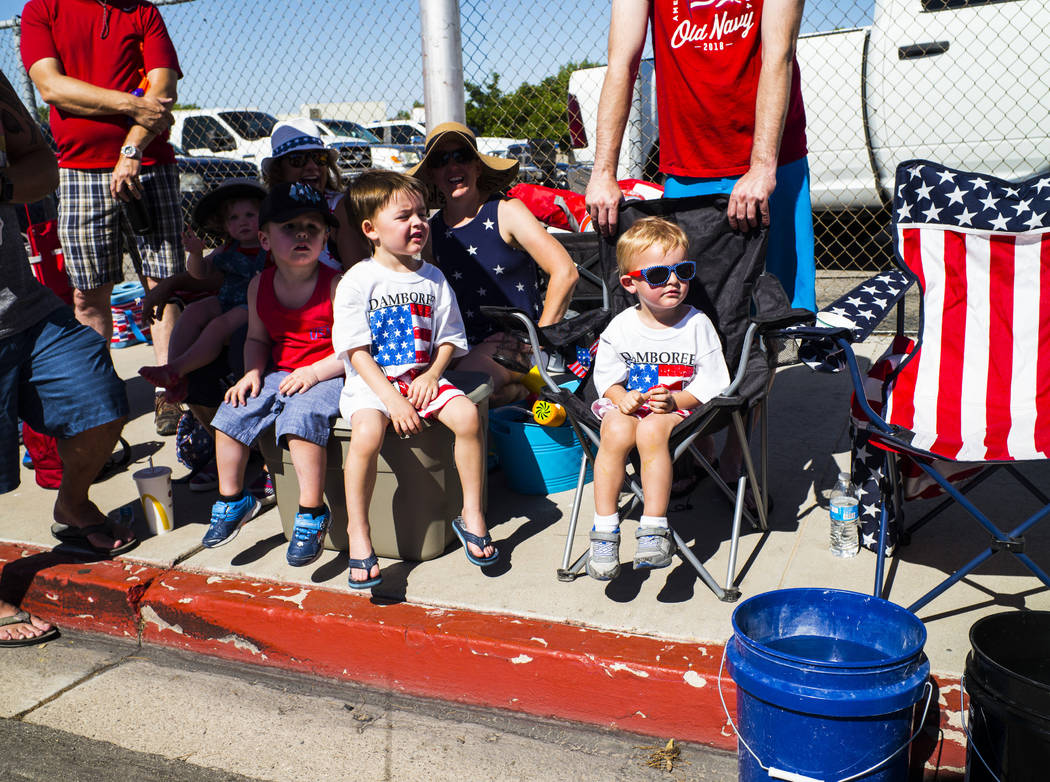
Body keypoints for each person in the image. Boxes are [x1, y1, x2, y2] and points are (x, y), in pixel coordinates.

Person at [0, 69, 134, 644]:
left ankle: (72, 505)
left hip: (24, 309)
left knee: (100, 400)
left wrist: (1, 186)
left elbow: (41, 163)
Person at [20, 0, 187, 435]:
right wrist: (131, 106)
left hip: (150, 165)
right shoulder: (43, 9)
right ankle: (100, 405)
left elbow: (162, 88)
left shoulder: (143, 12)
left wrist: (131, 149)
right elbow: (52, 87)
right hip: (78, 171)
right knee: (88, 296)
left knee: (163, 285)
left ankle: (169, 392)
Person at [584, 0, 815, 313]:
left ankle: (771, 355)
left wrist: (761, 168)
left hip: (772, 154)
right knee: (692, 303)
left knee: (783, 308)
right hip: (690, 159)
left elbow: (779, 56)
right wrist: (602, 173)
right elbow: (622, 63)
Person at [333, 170, 497, 589]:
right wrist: (393, 401)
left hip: (421, 378)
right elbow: (357, 353)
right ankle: (359, 533)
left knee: (468, 417)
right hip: (373, 386)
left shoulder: (434, 278)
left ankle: (472, 513)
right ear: (370, 230)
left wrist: (433, 374)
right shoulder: (357, 280)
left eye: (423, 213)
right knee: (366, 433)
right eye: (404, 216)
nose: (418, 222)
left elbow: (448, 339)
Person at [200, 183, 344, 565]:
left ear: (325, 237)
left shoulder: (336, 285)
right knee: (231, 411)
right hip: (282, 372)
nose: (302, 235)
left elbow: (353, 352)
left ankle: (312, 512)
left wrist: (314, 373)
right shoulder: (258, 285)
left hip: (331, 373)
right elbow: (258, 338)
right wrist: (251, 373)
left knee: (300, 416)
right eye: (289, 227)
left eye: (313, 228)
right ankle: (233, 500)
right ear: (264, 239)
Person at [586, 218, 730, 581]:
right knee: (616, 431)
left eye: (682, 270)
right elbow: (605, 378)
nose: (673, 281)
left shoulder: (697, 325)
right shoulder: (621, 326)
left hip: (676, 409)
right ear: (630, 283)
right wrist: (622, 397)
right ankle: (605, 531)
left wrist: (678, 397)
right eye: (657, 275)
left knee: (651, 432)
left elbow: (714, 381)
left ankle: (653, 527)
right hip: (629, 405)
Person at [409, 122, 578, 405]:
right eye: (441, 160)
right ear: (432, 175)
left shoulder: (506, 212)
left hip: (518, 344)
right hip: (460, 345)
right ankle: (518, 393)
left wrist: (536, 341)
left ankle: (520, 388)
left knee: (461, 394)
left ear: (477, 166)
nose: (453, 167)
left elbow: (565, 272)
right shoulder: (431, 231)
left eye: (461, 156)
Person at [139, 179, 267, 403]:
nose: (243, 222)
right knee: (194, 311)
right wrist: (196, 255)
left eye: (250, 215)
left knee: (219, 325)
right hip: (229, 299)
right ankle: (174, 372)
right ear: (224, 225)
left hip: (257, 305)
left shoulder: (271, 245)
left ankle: (177, 370)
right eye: (233, 218)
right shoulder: (227, 249)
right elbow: (201, 273)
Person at [263, 118, 369, 271]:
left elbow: (360, 277)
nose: (312, 167)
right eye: (297, 160)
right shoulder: (269, 209)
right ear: (279, 170)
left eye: (320, 158)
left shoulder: (341, 208)